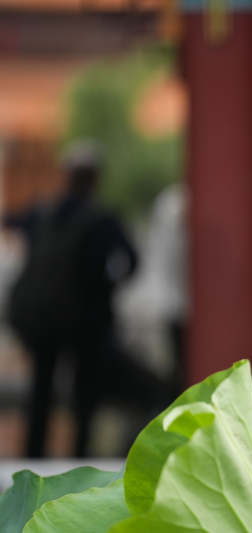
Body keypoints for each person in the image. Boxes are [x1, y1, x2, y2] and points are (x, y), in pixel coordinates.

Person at [5, 141, 152, 457]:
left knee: (41, 389)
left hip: (44, 321)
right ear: (95, 178)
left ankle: (34, 453)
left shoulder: (43, 213)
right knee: (85, 392)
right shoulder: (102, 218)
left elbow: (13, 225)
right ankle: (79, 454)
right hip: (88, 321)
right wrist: (108, 284)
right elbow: (131, 261)